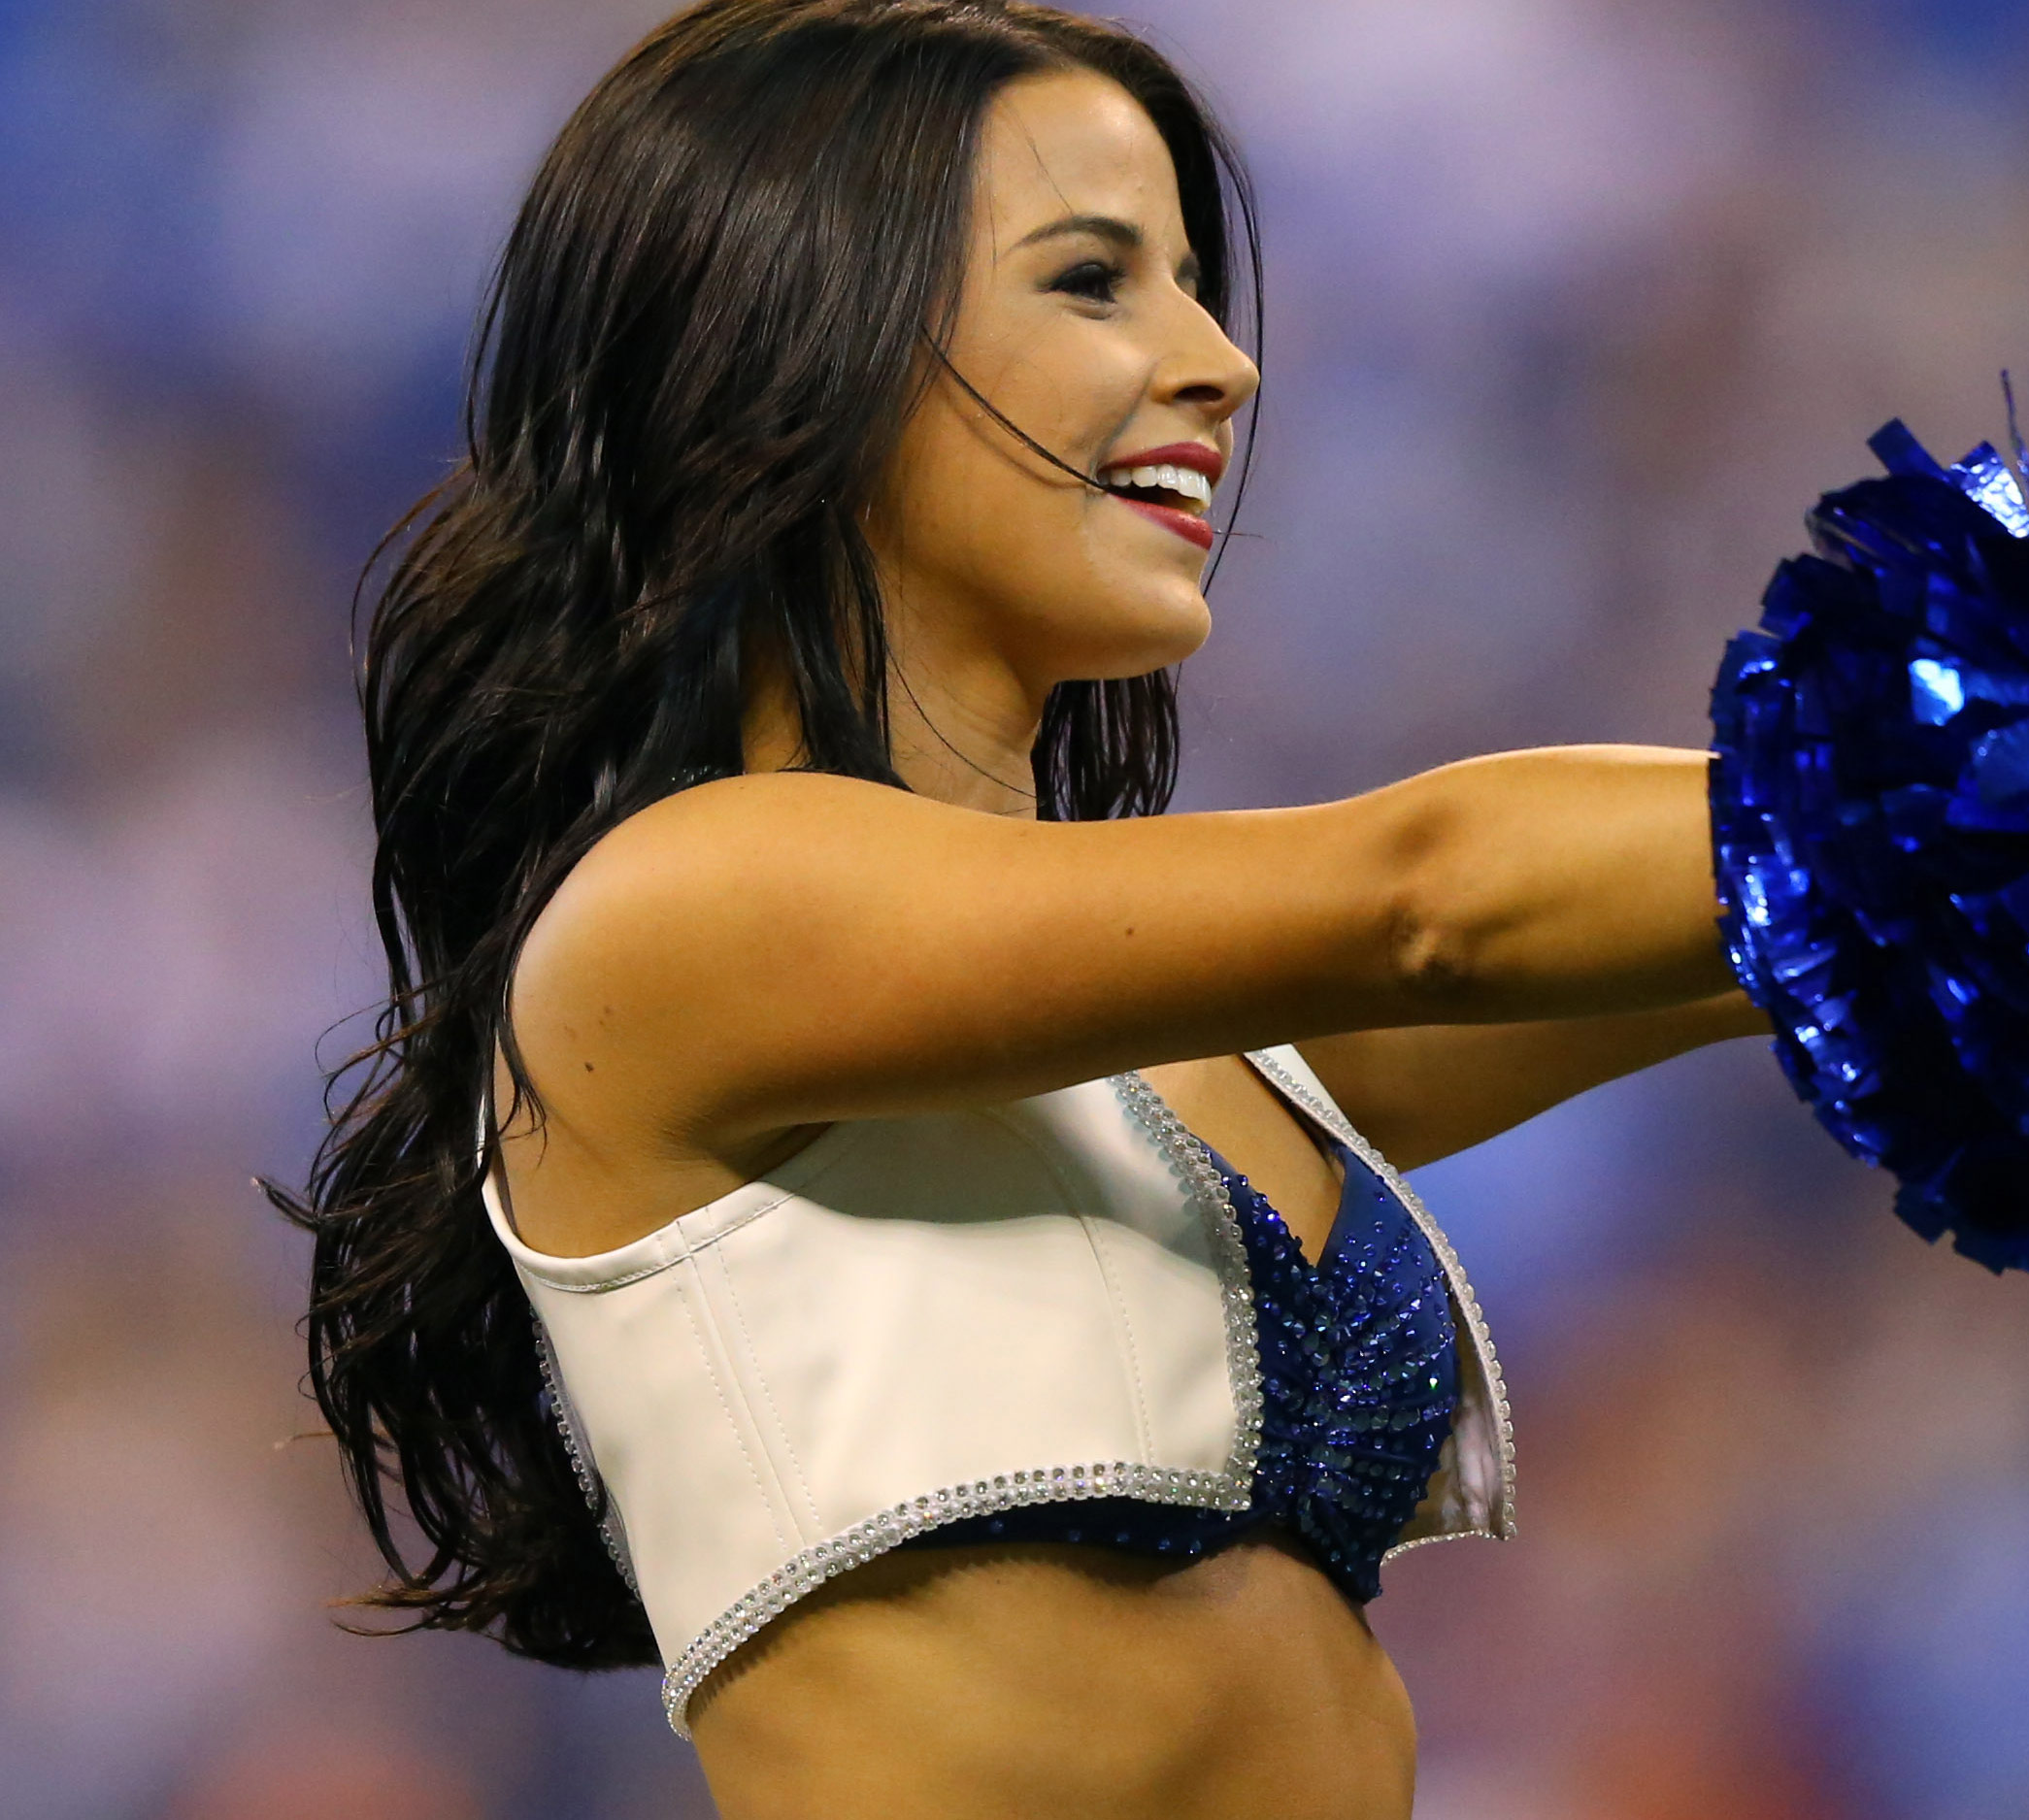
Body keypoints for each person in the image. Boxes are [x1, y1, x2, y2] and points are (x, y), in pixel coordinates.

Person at [275, 3, 1768, 1814]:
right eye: (1094, 281)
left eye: (1198, 286)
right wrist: (2006, 748)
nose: (1222, 362)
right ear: (798, 340)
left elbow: (1771, 935)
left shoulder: (1195, 1049)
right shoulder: (684, 909)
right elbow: (1430, 898)